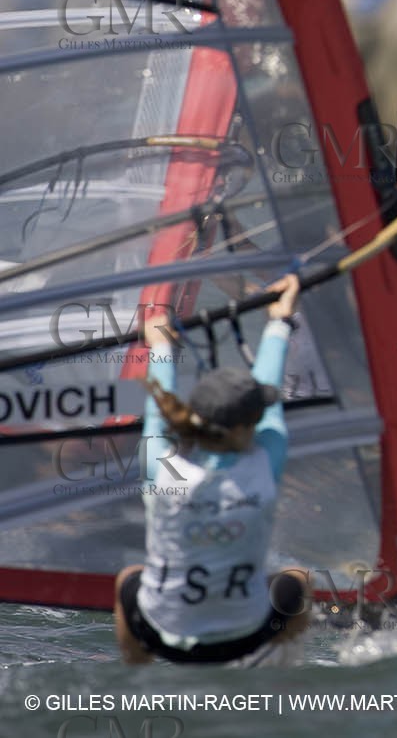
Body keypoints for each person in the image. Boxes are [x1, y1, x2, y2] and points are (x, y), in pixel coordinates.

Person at [114, 275, 311, 664]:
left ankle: (136, 670)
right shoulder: (263, 463)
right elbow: (270, 404)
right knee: (298, 581)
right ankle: (284, 671)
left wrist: (159, 345)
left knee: (127, 579)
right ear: (242, 428)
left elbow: (157, 407)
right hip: (245, 637)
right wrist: (280, 321)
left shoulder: (161, 464)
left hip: (161, 635)